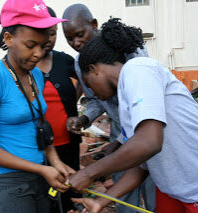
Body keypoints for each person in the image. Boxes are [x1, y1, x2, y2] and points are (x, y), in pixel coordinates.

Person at [68, 18, 198, 213]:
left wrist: (89, 173)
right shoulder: (128, 101)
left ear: (94, 69)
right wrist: (101, 202)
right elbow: (143, 166)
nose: (92, 93)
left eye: (88, 84)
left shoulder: (138, 69)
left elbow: (149, 143)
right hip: (175, 192)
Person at [0, 0, 74, 212]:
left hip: (38, 173)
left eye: (43, 46)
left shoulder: (35, 73)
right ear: (8, 38)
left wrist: (54, 161)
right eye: (30, 45)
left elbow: (39, 122)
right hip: (7, 183)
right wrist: (41, 169)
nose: (38, 54)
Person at [62, 4, 155, 213]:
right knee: (123, 185)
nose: (76, 43)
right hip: (120, 129)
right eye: (70, 39)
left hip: (147, 125)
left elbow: (144, 102)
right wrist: (85, 119)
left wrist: (90, 173)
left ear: (93, 25)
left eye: (80, 34)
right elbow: (97, 99)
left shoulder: (130, 51)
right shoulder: (80, 63)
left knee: (152, 181)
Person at [36, 6, 81, 213]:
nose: (49, 39)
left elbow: (85, 80)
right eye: (44, 34)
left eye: (53, 34)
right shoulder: (25, 65)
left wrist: (78, 98)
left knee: (71, 187)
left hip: (68, 140)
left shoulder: (65, 60)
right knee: (47, 195)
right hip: (40, 146)